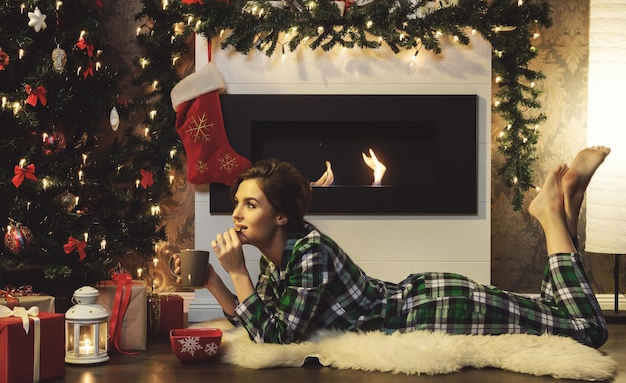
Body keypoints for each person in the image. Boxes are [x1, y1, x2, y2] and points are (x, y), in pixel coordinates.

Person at [175, 146, 610, 348]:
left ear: (282, 216)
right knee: (557, 314)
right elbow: (260, 318)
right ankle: (566, 211)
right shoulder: (280, 258)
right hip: (419, 296)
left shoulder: (311, 253)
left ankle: (550, 215)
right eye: (237, 203)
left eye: (250, 204)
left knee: (586, 330)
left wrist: (236, 272)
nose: (236, 213)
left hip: (436, 311)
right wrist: (215, 280)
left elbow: (277, 336)